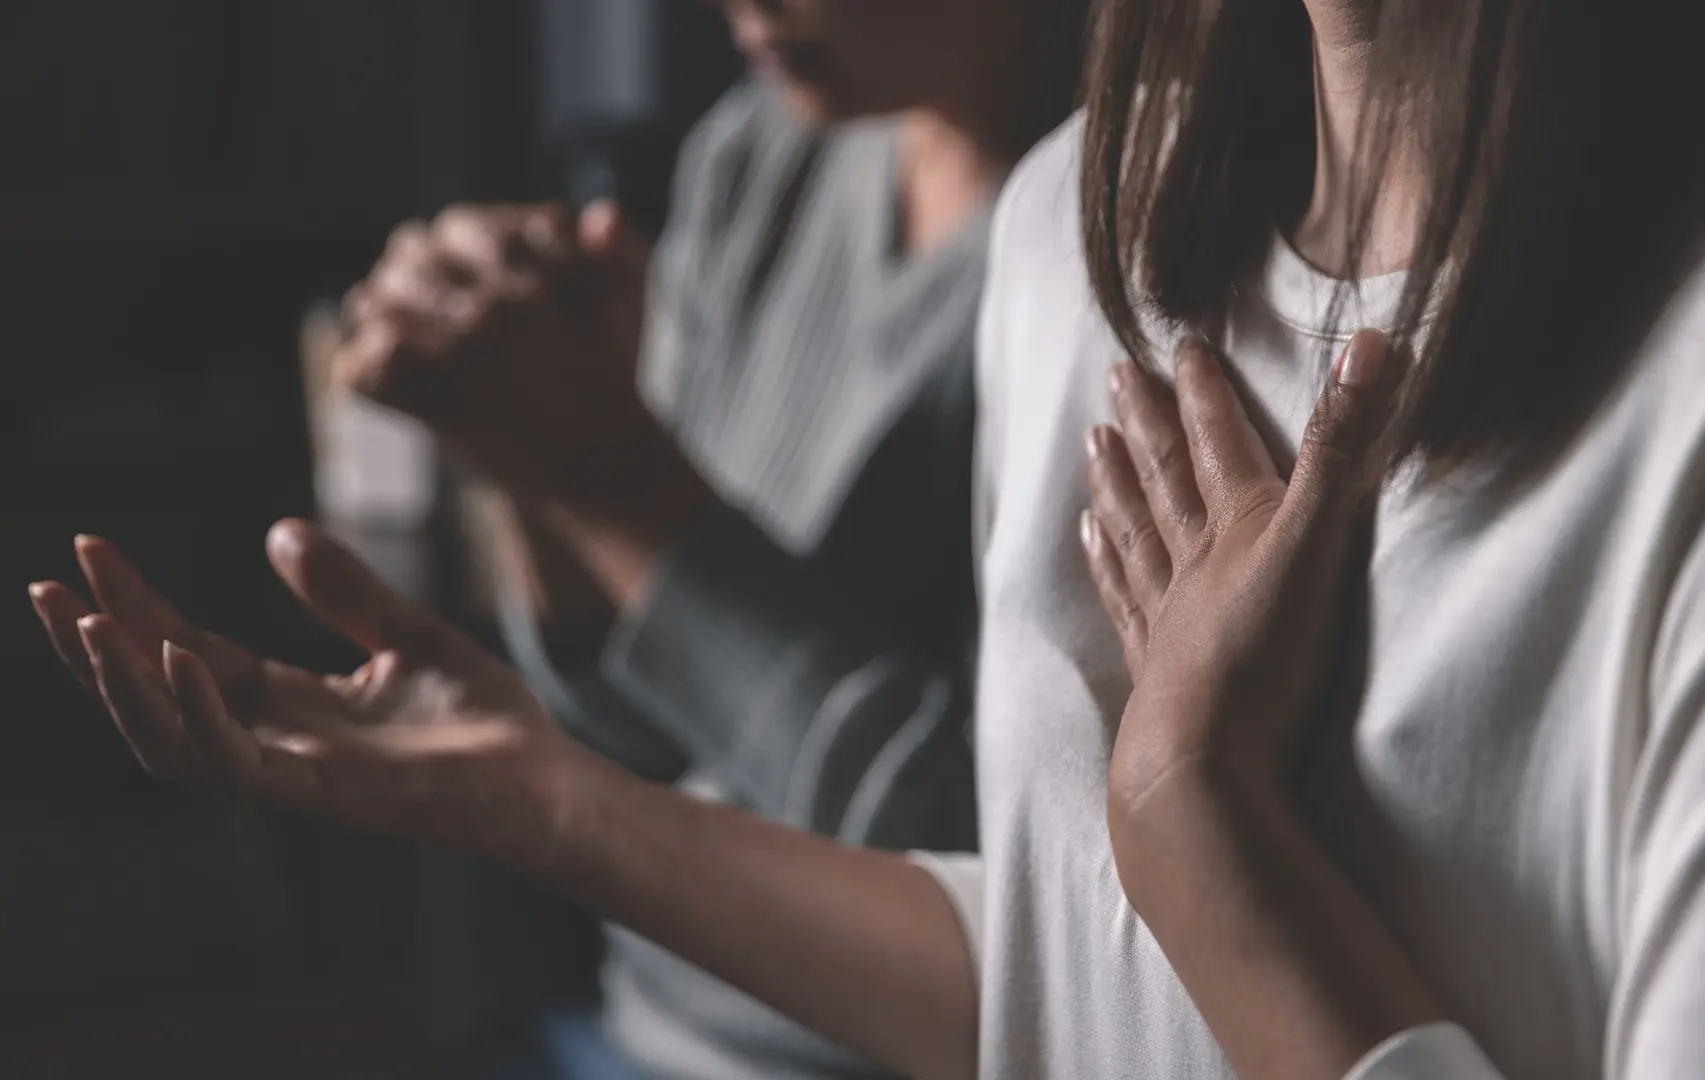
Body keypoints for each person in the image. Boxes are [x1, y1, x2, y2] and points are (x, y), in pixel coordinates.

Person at [29, 1, 1705, 1079]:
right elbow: (1066, 994)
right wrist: (545, 800)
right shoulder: (1078, 240)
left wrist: (1200, 826)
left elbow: (1151, 897)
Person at [76, 3, 1082, 1080]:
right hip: (627, 1022)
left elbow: (1019, 908)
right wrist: (532, 455)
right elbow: (633, 743)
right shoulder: (757, 155)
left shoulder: (1107, 255)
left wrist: (610, 483)